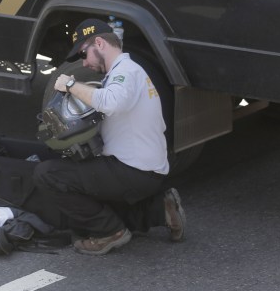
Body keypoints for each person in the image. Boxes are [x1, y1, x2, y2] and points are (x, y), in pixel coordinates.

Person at [32, 18, 186, 255]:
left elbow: (111, 102)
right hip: (147, 170)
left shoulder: (125, 73)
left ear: (100, 43)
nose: (85, 62)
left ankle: (109, 232)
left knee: (48, 174)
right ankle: (160, 209)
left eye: (84, 54)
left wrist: (71, 84)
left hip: (133, 171)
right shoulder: (129, 71)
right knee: (89, 188)